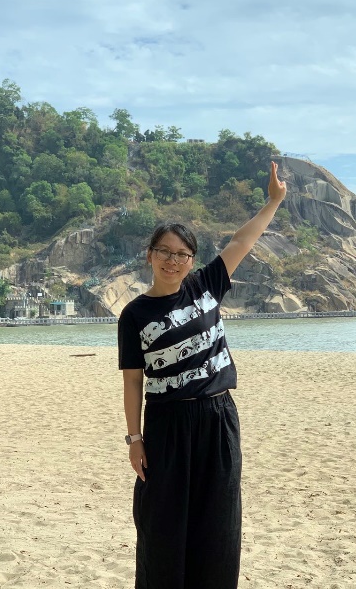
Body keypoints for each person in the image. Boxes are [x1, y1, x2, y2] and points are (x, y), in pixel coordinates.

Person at [118, 161, 287, 589]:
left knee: (218, 522)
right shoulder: (134, 314)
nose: (172, 261)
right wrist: (134, 439)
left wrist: (273, 202)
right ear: (150, 255)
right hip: (167, 424)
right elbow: (133, 381)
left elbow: (242, 240)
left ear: (191, 260)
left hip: (217, 417)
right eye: (164, 252)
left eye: (181, 254)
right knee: (162, 523)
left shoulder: (206, 285)